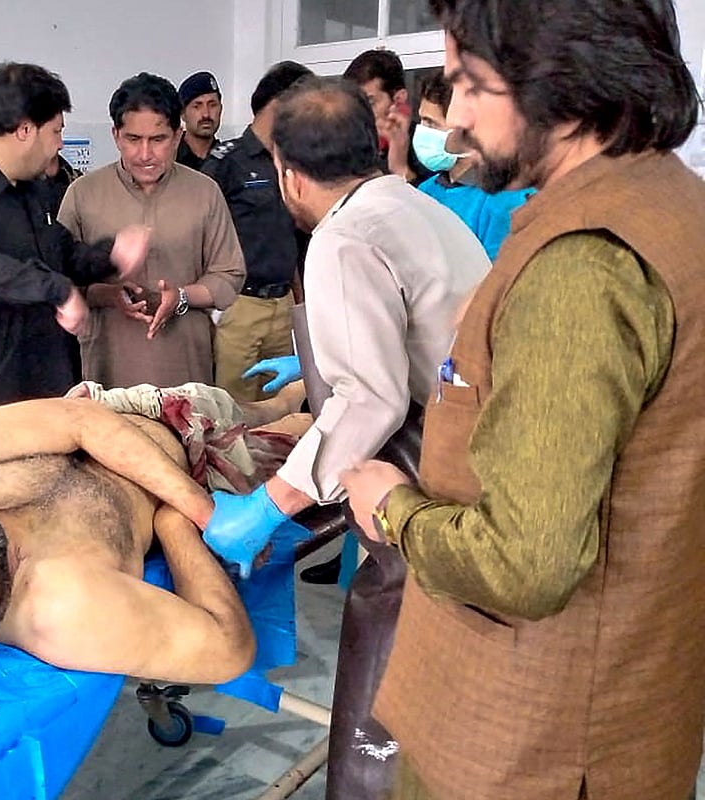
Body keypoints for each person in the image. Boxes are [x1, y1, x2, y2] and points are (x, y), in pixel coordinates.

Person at [339, 0, 705, 797]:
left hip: (528, 745)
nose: (456, 120)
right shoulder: (675, 207)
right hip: (633, 706)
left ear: (563, 79)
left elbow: (528, 562)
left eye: (472, 85)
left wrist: (394, 508)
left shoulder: (584, 267)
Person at [0, 391, 310, 741]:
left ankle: (280, 405)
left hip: (135, 406)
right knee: (313, 432)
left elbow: (80, 421)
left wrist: (199, 514)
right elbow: (227, 650)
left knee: (260, 403)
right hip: (207, 462)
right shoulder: (66, 614)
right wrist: (175, 527)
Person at [203, 76, 489, 579]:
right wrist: (314, 359)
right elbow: (416, 326)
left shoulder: (343, 238)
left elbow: (370, 402)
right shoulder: (410, 204)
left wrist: (269, 505)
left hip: (449, 469)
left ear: (287, 174)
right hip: (485, 439)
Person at [0, 62, 151, 430]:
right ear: (25, 129)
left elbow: (61, 253)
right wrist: (56, 290)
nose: (59, 143)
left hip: (44, 390)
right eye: (55, 131)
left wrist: (111, 255)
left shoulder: (30, 189)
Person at [57, 72, 245, 388]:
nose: (145, 154)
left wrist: (181, 297)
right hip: (109, 370)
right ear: (115, 135)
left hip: (184, 369)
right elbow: (58, 279)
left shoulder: (204, 192)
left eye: (158, 140)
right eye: (133, 139)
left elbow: (229, 274)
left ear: (177, 136)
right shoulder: (82, 193)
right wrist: (108, 295)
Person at [203, 60, 313, 401]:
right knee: (233, 408)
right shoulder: (227, 162)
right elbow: (201, 233)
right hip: (240, 305)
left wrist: (300, 301)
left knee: (283, 404)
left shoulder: (293, 161)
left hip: (282, 305)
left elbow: (289, 238)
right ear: (280, 104)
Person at [412, 68, 533, 260]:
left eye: (431, 123)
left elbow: (496, 277)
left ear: (465, 124)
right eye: (421, 120)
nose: (422, 131)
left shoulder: (505, 197)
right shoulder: (425, 191)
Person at [343, 49, 430, 185]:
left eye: (369, 103)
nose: (358, 113)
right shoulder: (348, 147)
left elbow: (434, 204)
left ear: (399, 99)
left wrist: (401, 168)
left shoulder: (426, 147)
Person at [176, 70, 223, 170]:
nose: (206, 114)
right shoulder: (170, 156)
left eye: (212, 105)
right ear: (183, 113)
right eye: (197, 106)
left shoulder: (230, 160)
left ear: (221, 109)